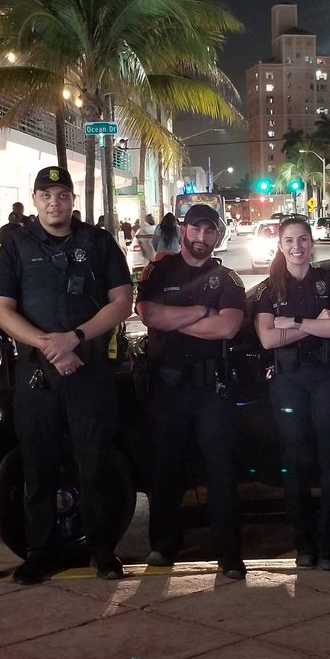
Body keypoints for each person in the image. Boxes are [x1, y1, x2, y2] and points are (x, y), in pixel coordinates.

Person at [0, 166, 134, 585]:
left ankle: (102, 550)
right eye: (46, 195)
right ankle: (39, 552)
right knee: (37, 464)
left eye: (63, 195)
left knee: (95, 463)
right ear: (35, 199)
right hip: (38, 375)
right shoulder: (15, 245)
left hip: (89, 372)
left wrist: (75, 338)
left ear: (72, 199)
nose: (55, 202)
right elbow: (1, 309)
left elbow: (122, 301)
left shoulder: (98, 242)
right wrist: (48, 345)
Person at [136, 204, 246, 577]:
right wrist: (202, 311)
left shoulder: (228, 278)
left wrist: (174, 319)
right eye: (196, 229)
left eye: (209, 230)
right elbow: (148, 315)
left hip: (212, 389)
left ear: (218, 235)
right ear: (183, 230)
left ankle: (228, 554)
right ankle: (163, 547)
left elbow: (227, 328)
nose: (202, 236)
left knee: (222, 473)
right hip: (167, 388)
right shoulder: (159, 270)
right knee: (165, 471)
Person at [254, 217, 330, 571]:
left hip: (328, 377)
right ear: (280, 246)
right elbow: (267, 338)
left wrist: (294, 323)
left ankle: (328, 548)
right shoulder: (268, 289)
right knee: (294, 462)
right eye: (290, 240)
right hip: (289, 380)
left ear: (312, 243)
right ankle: (304, 545)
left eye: (303, 239)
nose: (297, 246)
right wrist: (316, 324)